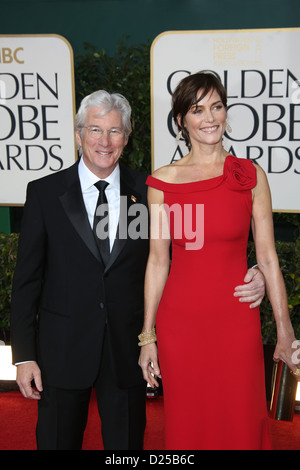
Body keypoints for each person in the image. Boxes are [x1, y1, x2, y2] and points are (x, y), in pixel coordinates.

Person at [10, 89, 265, 451]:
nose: (105, 141)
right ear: (78, 134)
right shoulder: (45, 193)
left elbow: (193, 246)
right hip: (61, 355)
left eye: (115, 131)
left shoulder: (148, 191)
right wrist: (24, 355)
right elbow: (27, 280)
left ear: (127, 138)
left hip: (126, 355)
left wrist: (256, 270)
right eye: (95, 130)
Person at [138, 72, 299, 450]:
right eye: (197, 110)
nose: (209, 118)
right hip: (181, 324)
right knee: (190, 421)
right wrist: (148, 337)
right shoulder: (161, 183)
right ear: (182, 120)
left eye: (217, 106)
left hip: (235, 318)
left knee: (241, 417)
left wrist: (284, 329)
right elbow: (158, 263)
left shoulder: (250, 176)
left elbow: (268, 257)